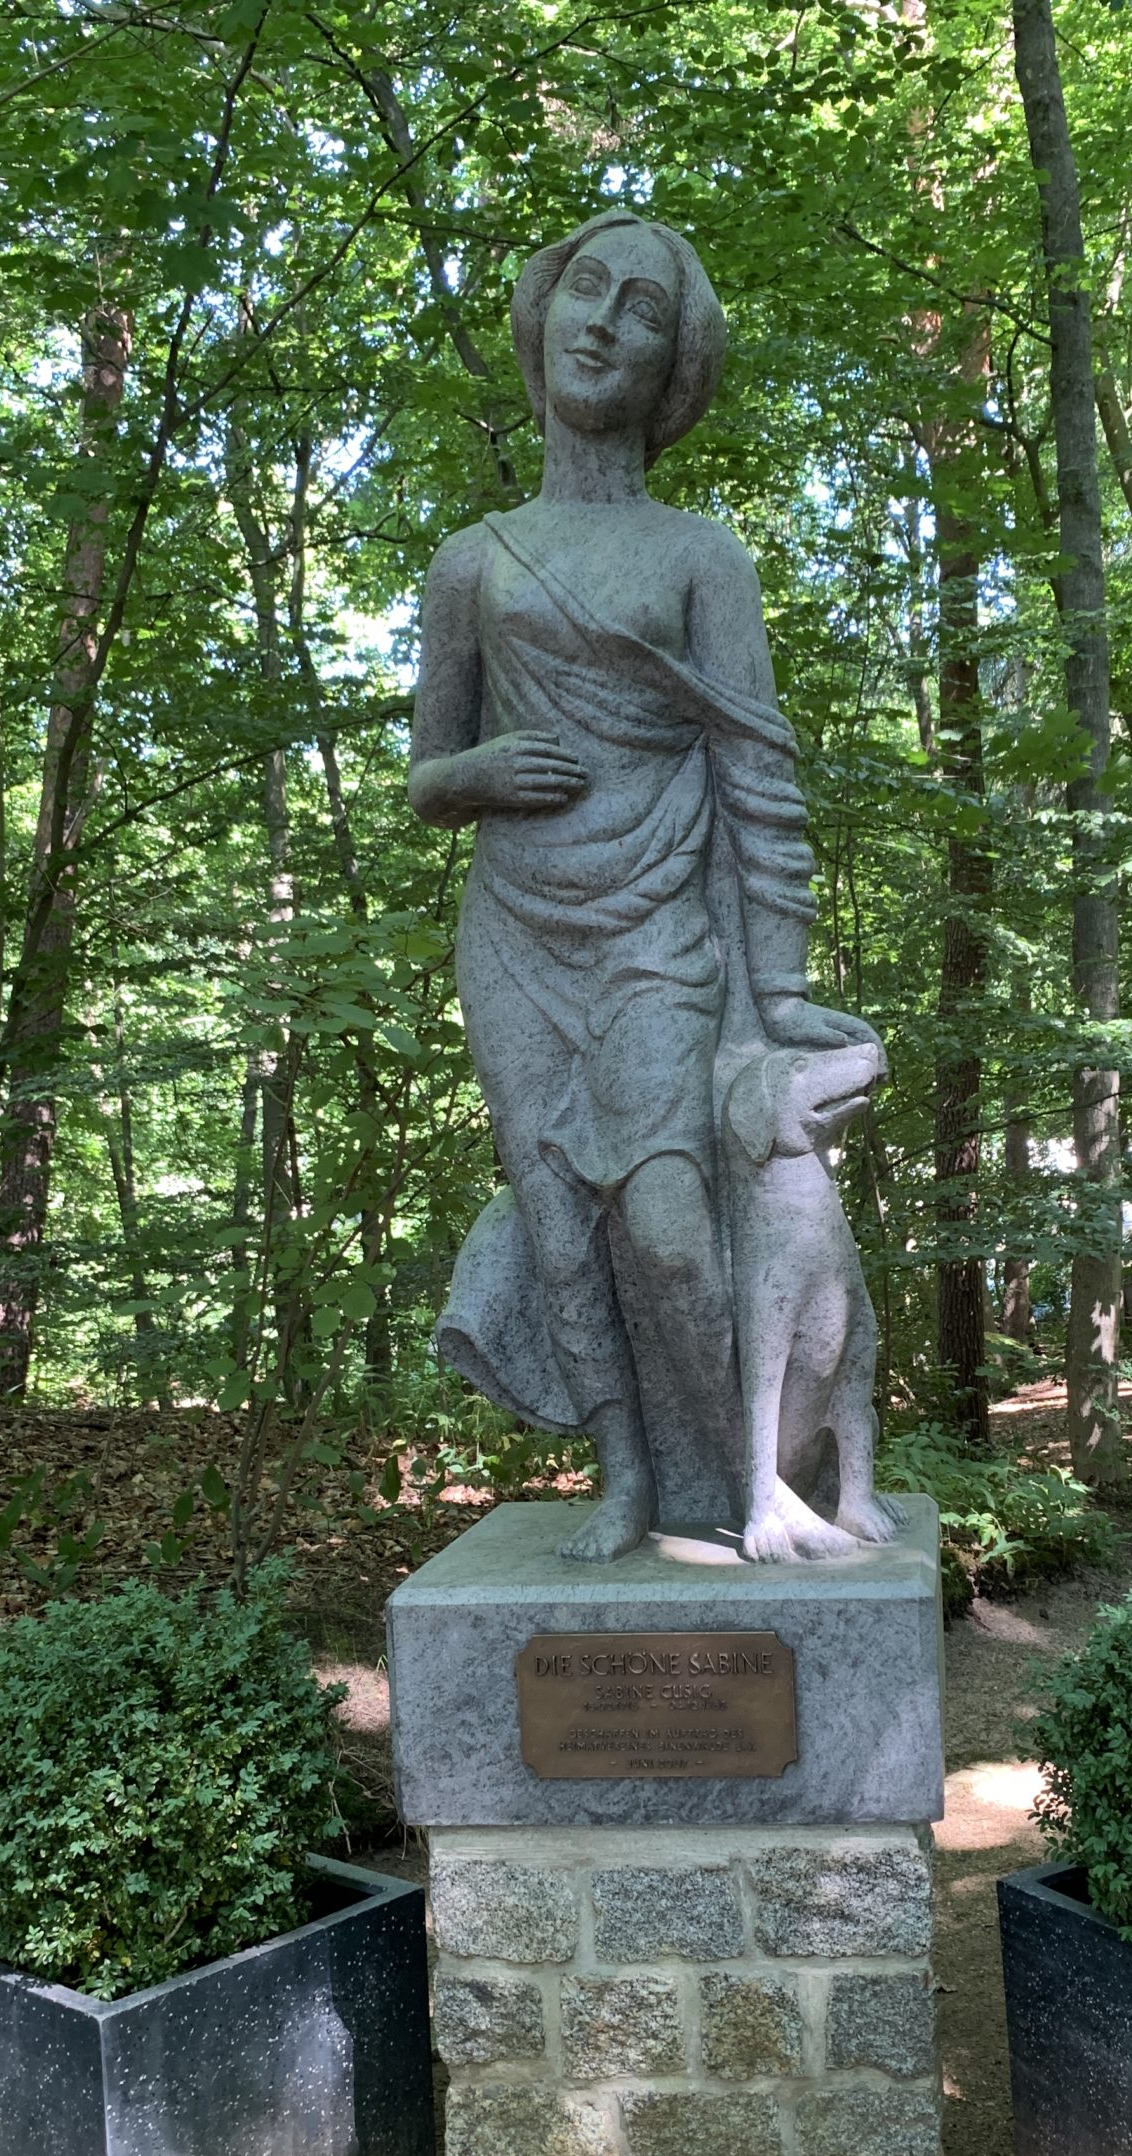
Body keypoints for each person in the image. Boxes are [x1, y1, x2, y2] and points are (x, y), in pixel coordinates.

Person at [409, 212, 876, 1560]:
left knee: (670, 1229)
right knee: (559, 1222)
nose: (606, 321)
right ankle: (623, 1480)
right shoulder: (473, 558)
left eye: (644, 310)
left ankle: (752, 1476)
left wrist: (778, 987)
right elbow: (429, 778)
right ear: (544, 313)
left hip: (662, 935)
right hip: (516, 933)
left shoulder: (700, 558)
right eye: (588, 289)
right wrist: (482, 770)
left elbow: (760, 774)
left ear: (675, 366)